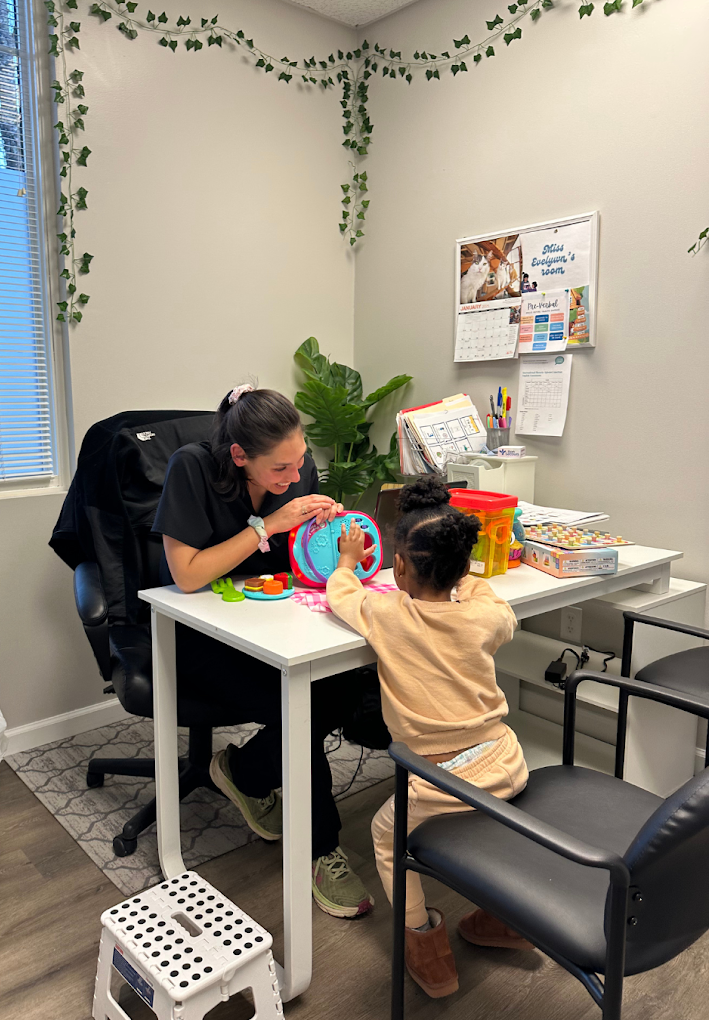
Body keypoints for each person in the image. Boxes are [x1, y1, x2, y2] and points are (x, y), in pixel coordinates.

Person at [153, 383, 374, 918]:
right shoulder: (192, 469)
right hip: (202, 634)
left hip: (275, 619)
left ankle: (243, 770)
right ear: (238, 456)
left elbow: (299, 565)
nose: (294, 477)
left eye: (300, 462)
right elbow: (186, 577)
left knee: (351, 681)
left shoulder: (294, 469)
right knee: (310, 704)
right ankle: (319, 849)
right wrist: (270, 525)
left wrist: (327, 530)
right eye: (280, 470)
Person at [325, 477, 530, 995]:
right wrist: (467, 582)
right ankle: (503, 921)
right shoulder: (485, 614)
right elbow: (498, 608)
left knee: (385, 835)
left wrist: (348, 561)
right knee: (489, 827)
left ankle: (425, 944)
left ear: (397, 569)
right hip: (508, 760)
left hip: (443, 781)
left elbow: (340, 594)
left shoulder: (387, 615)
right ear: (464, 568)